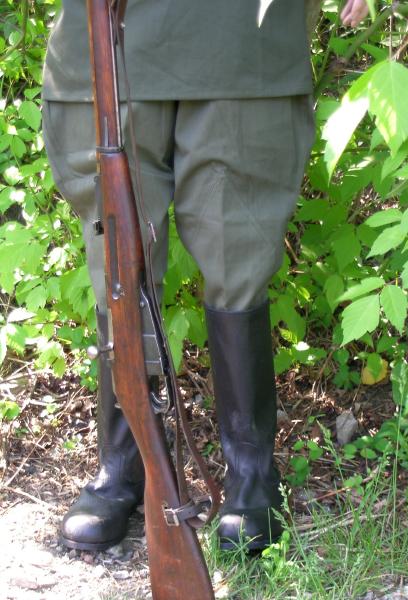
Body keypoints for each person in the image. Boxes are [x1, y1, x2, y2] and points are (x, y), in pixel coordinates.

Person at [42, 0, 369, 553]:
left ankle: (250, 473)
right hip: (108, 34)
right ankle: (124, 465)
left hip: (240, 37)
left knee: (237, 251)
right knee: (116, 263)